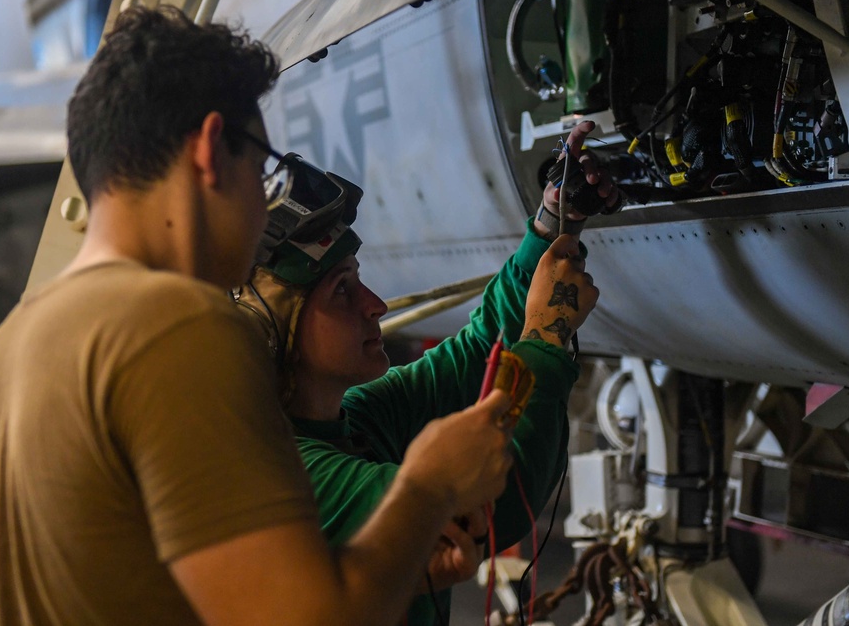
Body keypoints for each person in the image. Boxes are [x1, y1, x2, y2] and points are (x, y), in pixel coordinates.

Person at [0, 6, 517, 626]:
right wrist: (428, 487)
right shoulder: (176, 325)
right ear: (213, 150)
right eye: (264, 171)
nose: (261, 202)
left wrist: (393, 558)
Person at [238, 122, 618, 624]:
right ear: (277, 330)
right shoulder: (293, 476)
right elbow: (489, 505)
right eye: (342, 291)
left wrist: (553, 222)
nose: (375, 305)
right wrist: (545, 339)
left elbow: (478, 352)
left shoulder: (353, 421)